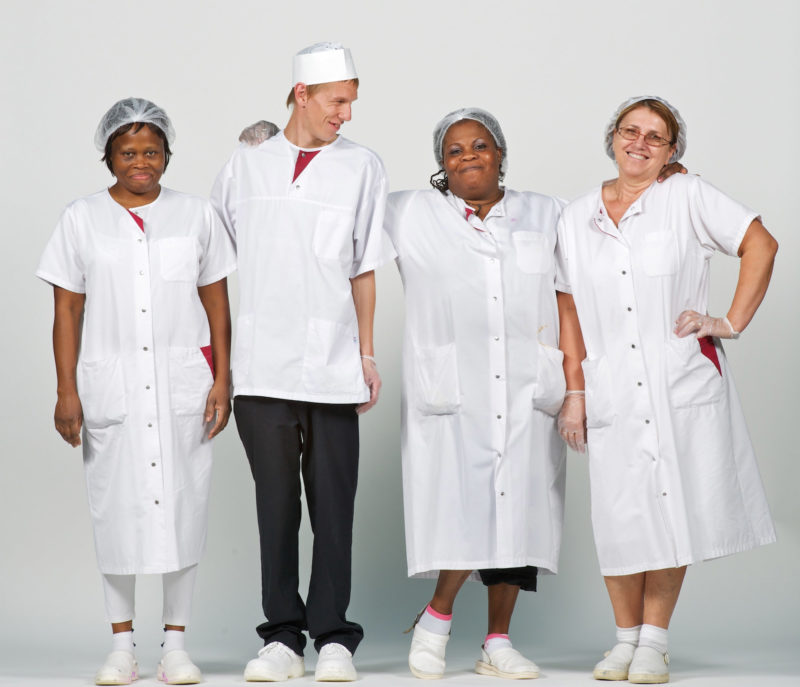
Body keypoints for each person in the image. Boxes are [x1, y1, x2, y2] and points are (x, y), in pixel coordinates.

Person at [555, 95, 778, 684]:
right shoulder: (573, 217)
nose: (641, 144)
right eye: (631, 131)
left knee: (674, 501)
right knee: (619, 511)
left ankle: (653, 642)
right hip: (609, 388)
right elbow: (569, 311)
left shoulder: (687, 196)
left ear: (672, 151)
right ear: (612, 138)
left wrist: (727, 321)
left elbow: (762, 244)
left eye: (656, 137)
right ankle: (623, 640)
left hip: (676, 376)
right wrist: (575, 392)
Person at [211, 42, 394, 683]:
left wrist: (367, 353)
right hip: (260, 365)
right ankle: (283, 637)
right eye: (336, 100)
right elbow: (214, 266)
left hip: (334, 361)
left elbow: (365, 266)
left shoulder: (361, 167)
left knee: (334, 506)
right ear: (301, 95)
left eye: (350, 101)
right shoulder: (246, 165)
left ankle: (334, 637)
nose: (346, 113)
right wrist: (218, 362)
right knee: (276, 506)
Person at [36, 97, 235, 685]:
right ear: (109, 157)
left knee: (185, 509)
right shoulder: (81, 218)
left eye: (151, 151)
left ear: (167, 155)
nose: (140, 162)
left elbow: (217, 302)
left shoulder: (197, 215)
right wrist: (65, 391)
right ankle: (121, 644)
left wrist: (225, 378)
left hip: (183, 387)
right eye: (128, 152)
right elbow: (67, 309)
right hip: (112, 386)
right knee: (115, 511)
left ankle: (176, 644)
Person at [382, 108, 567, 680]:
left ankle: (497, 641)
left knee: (518, 518)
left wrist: (668, 176)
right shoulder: (410, 211)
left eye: (480, 146)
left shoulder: (547, 211)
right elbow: (336, 209)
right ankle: (437, 619)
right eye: (455, 150)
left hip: (526, 385)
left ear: (500, 153)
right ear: (441, 164)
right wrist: (266, 155)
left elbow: (605, 234)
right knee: (461, 508)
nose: (468, 157)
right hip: (453, 391)